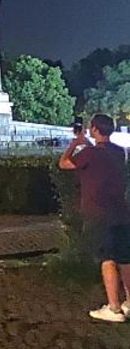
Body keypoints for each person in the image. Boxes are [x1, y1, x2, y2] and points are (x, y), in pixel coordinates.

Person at [58, 113, 130, 323]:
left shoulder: (89, 153)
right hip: (121, 212)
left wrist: (75, 144)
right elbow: (101, 156)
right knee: (125, 258)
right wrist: (86, 143)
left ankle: (114, 308)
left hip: (98, 213)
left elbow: (64, 163)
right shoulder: (120, 152)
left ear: (96, 129)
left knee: (107, 259)